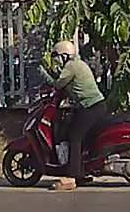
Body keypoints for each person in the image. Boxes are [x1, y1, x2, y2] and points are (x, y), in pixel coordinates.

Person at [40, 40, 106, 191]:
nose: (57, 60)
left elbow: (58, 84)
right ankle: (81, 173)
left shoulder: (71, 66)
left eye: (57, 56)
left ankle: (72, 177)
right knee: (80, 136)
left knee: (74, 137)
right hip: (95, 106)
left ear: (65, 55)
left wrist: (44, 74)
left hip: (91, 107)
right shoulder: (77, 64)